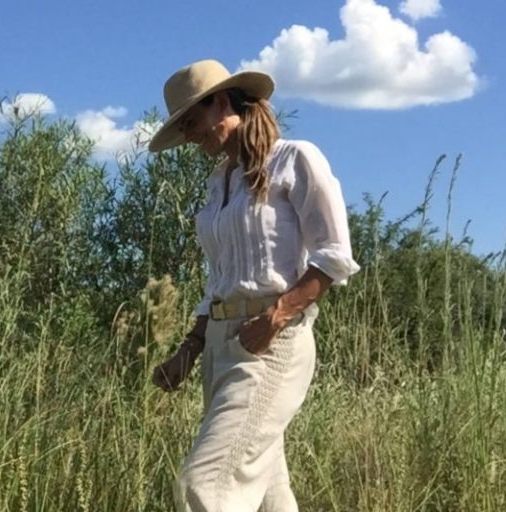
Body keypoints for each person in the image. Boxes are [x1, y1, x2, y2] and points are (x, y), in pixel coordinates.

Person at [149, 59, 360, 512]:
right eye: (182, 127)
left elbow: (333, 253)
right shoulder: (219, 184)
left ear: (222, 102)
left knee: (203, 487)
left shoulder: (295, 159)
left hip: (269, 342)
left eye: (192, 120)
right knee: (268, 496)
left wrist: (278, 316)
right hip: (219, 348)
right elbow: (219, 280)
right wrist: (190, 349)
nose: (189, 135)